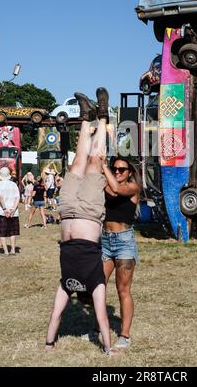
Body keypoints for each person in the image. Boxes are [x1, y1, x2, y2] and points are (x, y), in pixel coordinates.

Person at [45, 88, 118, 355]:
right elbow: (102, 317)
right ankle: (102, 116)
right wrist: (108, 349)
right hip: (87, 212)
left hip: (66, 212)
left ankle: (86, 117)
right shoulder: (97, 281)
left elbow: (55, 315)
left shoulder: (66, 284)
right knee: (95, 162)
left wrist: (49, 344)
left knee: (77, 163)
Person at [99, 156, 141, 349]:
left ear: (129, 172)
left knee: (123, 290)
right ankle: (98, 327)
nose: (117, 172)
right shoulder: (105, 184)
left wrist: (103, 167)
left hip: (124, 242)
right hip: (105, 241)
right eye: (114, 168)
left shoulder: (132, 188)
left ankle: (124, 335)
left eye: (122, 169)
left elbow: (116, 189)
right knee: (97, 287)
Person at [0, 167, 20, 257]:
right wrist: (13, 209)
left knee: (2, 232)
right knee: (12, 231)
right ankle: (13, 250)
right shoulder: (14, 184)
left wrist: (5, 209)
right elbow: (17, 197)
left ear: (0, 175)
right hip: (13, 212)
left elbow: (0, 197)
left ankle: (6, 252)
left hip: (1, 211)